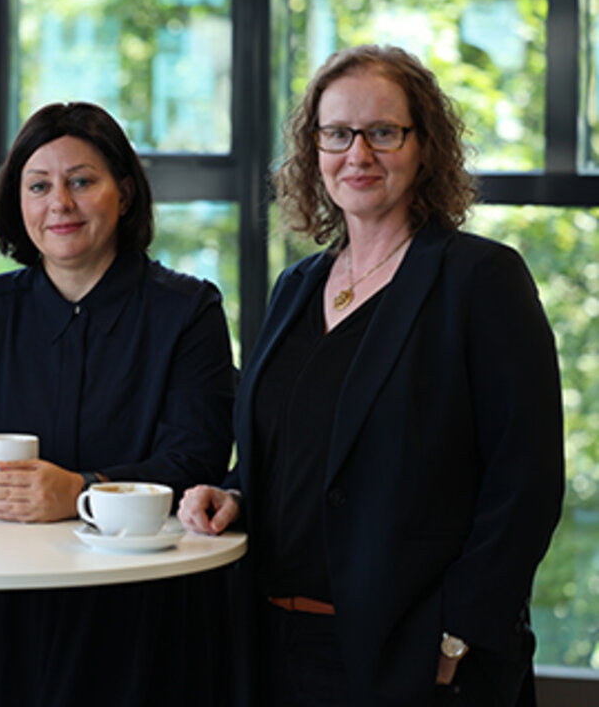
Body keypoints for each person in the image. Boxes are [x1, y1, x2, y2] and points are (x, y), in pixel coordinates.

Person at [178, 44, 564, 707]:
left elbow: (525, 483)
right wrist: (235, 494)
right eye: (337, 134)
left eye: (383, 132)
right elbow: (294, 448)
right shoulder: (297, 286)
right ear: (314, 150)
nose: (358, 154)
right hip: (274, 648)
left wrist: (457, 641)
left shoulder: (479, 279)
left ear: (425, 146)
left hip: (411, 658)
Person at [0, 101, 237, 707]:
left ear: (123, 195)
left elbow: (197, 459)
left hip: (143, 609)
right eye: (39, 186)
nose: (60, 203)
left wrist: (82, 490)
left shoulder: (188, 312)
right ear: (18, 202)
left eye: (81, 181)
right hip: (7, 604)